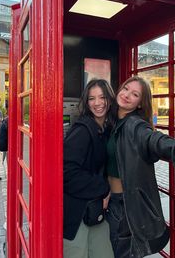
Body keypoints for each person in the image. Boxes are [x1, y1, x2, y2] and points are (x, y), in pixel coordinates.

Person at [106, 76, 175, 258]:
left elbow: (160, 142)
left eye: (134, 94)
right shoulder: (113, 121)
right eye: (126, 89)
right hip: (110, 200)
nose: (127, 95)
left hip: (127, 206)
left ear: (140, 104)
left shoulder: (136, 127)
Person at [63, 79, 115, 258]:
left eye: (102, 97)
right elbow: (66, 172)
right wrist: (103, 188)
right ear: (86, 102)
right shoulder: (83, 130)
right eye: (92, 98)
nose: (98, 103)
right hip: (76, 213)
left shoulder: (104, 128)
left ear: (109, 99)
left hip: (94, 210)